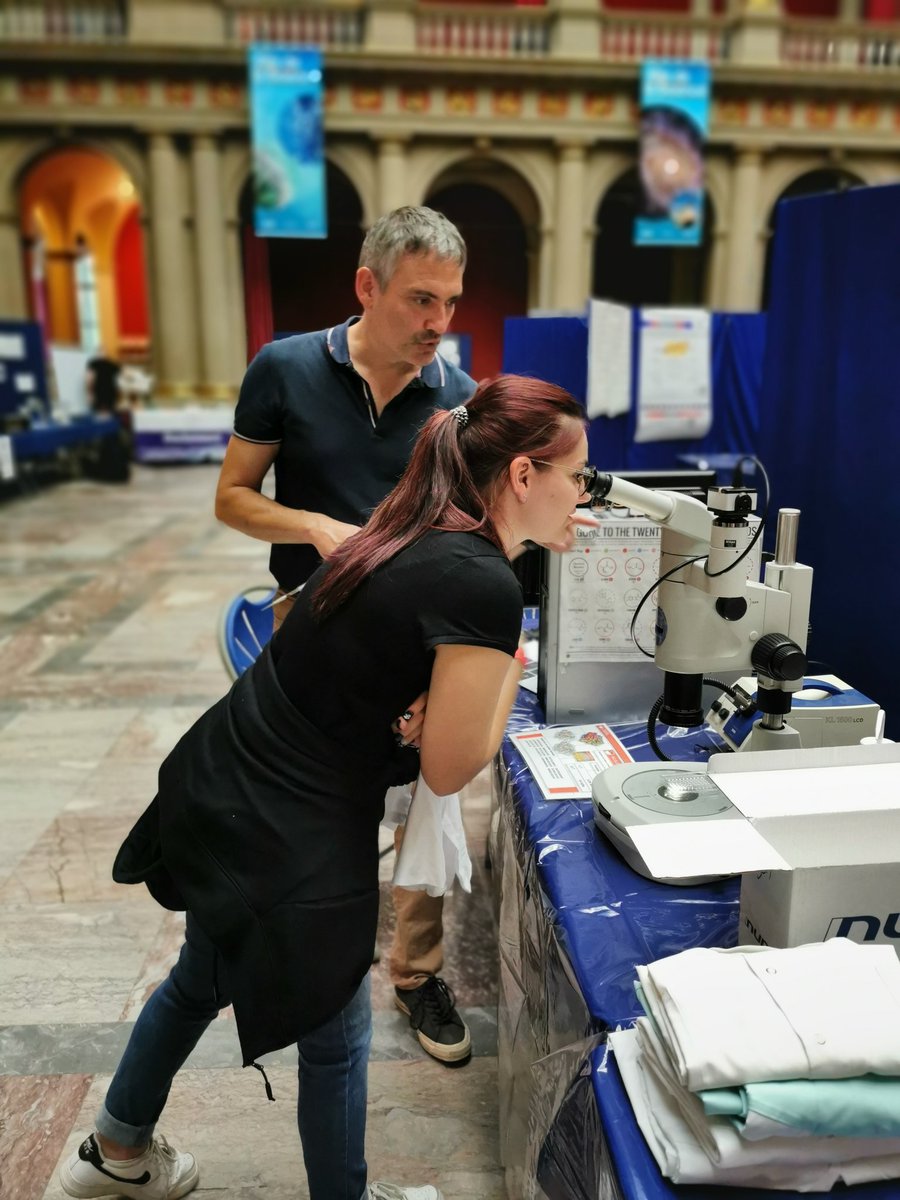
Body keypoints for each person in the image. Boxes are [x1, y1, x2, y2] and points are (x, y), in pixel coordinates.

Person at [59, 374, 594, 1200]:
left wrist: (438, 698)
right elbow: (451, 766)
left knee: (200, 975)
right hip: (283, 826)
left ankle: (116, 1151)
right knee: (336, 1035)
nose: (585, 494)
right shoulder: (482, 585)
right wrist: (506, 673)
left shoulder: (411, 523)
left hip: (220, 777)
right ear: (524, 476)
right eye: (579, 475)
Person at [214, 205, 477, 1064]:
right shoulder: (285, 368)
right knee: (322, 808)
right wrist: (314, 528)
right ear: (367, 287)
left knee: (433, 797)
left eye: (451, 302)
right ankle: (315, 956)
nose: (439, 323)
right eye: (420, 300)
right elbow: (233, 498)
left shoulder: (458, 401)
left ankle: (417, 974)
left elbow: (464, 532)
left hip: (413, 643)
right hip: (311, 630)